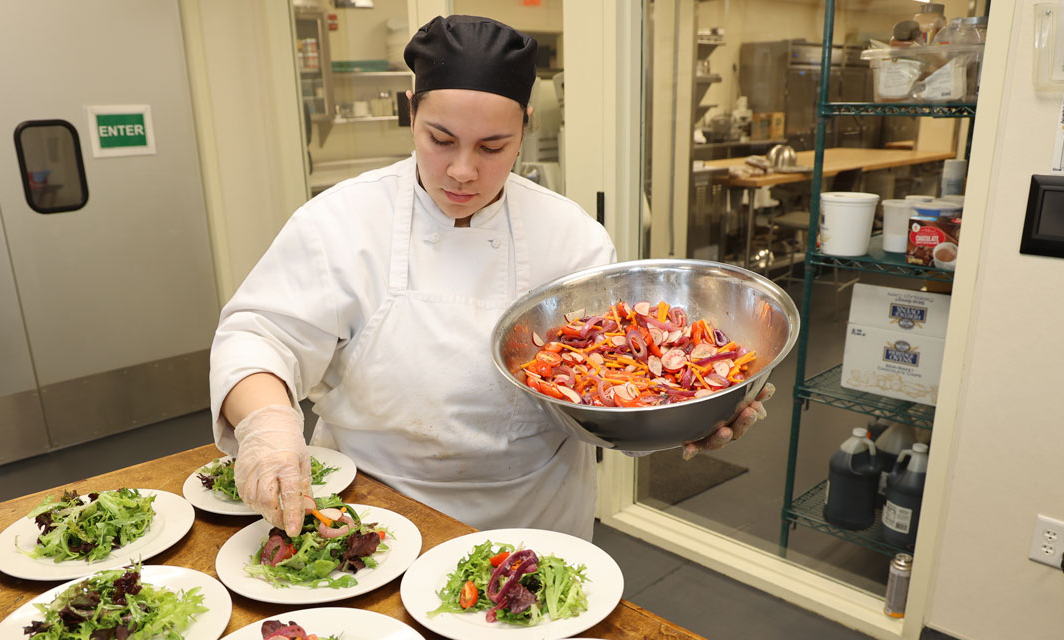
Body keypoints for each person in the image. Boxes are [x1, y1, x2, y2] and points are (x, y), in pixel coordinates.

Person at [209, 15, 770, 541]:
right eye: (440, 138)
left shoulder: (572, 237)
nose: (461, 170)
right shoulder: (339, 222)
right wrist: (268, 428)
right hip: (372, 512)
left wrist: (681, 417)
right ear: (412, 113)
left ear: (525, 128)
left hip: (534, 515)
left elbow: (612, 391)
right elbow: (257, 337)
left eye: (492, 147)